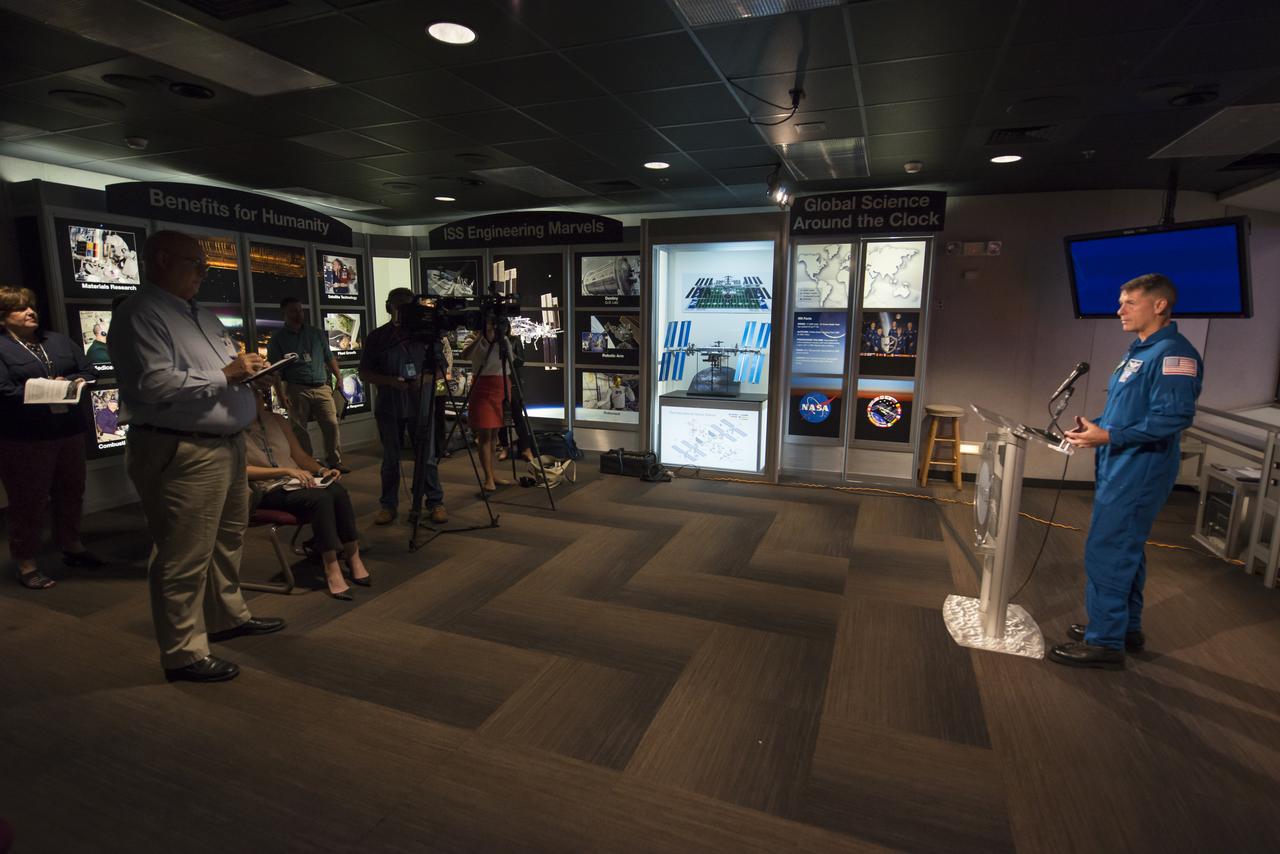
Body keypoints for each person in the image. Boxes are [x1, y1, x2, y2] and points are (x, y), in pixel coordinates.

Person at [109, 230, 286, 684]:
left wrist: (250, 377)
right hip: (183, 448)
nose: (204, 273)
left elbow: (217, 377)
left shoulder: (201, 315)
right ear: (162, 260)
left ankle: (226, 616)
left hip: (224, 446)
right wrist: (227, 373)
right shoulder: (139, 314)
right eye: (196, 264)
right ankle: (183, 653)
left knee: (227, 541)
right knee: (183, 553)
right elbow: (152, 384)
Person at [1053, 273, 1203, 670]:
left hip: (1142, 468)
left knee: (1108, 548)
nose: (1119, 310)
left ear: (1159, 305)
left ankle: (1104, 642)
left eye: (1129, 303)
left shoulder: (1174, 355)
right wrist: (1097, 429)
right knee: (1126, 550)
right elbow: (1126, 408)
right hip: (1121, 461)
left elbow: (1174, 417)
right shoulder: (1140, 350)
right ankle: (1124, 629)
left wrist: (1110, 434)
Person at [0, 286, 102, 589]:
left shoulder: (57, 341)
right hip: (25, 437)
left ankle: (71, 545)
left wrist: (70, 382)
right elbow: (4, 391)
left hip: (68, 431)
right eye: (20, 309)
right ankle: (26, 562)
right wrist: (47, 389)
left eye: (31, 306)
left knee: (71, 491)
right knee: (28, 500)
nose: (30, 312)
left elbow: (89, 371)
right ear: (4, 317)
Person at [244, 385, 369, 600]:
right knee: (319, 499)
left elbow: (300, 456)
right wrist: (283, 470)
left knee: (336, 491)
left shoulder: (277, 421)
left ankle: (353, 555)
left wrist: (323, 470)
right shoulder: (230, 430)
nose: (257, 401)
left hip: (296, 481)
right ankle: (331, 566)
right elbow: (240, 470)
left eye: (257, 395)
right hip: (266, 489)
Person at [359, 288, 447, 526]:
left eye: (406, 305)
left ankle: (434, 502)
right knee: (390, 459)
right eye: (397, 305)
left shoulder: (426, 335)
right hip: (389, 406)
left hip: (421, 405)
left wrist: (423, 380)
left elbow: (441, 368)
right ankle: (388, 505)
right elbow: (365, 372)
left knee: (427, 458)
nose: (401, 310)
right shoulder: (377, 337)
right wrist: (389, 381)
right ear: (389, 307)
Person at [267, 296, 347, 473]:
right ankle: (309, 464)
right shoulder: (277, 339)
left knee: (332, 425)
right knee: (300, 430)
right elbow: (275, 371)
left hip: (321, 387)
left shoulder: (315, 333)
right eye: (293, 311)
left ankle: (334, 461)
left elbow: (329, 357)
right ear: (284, 314)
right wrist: (281, 395)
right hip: (297, 388)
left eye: (300, 310)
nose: (298, 314)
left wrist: (339, 378)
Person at [461, 315, 516, 495]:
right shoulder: (475, 339)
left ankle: (493, 474)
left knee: (494, 435)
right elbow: (465, 355)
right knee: (484, 434)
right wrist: (481, 337)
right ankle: (488, 478)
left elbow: (511, 361)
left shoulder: (503, 340)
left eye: (495, 323)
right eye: (490, 323)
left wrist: (500, 338)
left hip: (501, 386)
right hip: (482, 387)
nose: (493, 326)